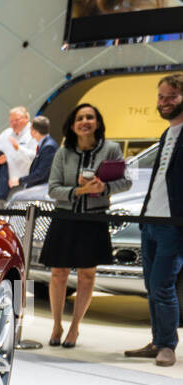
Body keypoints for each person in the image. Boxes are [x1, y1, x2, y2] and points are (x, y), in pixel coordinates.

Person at [41, 102, 130, 349]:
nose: (85, 122)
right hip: (65, 218)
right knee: (58, 274)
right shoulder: (62, 152)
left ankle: (74, 327)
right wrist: (80, 190)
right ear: (72, 125)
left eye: (90, 117)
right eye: (80, 118)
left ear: (98, 123)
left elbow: (126, 181)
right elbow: (53, 189)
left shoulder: (111, 149)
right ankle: (56, 324)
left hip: (94, 219)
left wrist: (104, 188)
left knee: (87, 275)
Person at [126, 73, 183, 367]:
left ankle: (168, 346)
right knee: (151, 284)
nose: (164, 102)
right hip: (150, 222)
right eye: (161, 97)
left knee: (162, 285)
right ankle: (157, 340)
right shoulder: (167, 134)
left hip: (174, 226)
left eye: (171, 96)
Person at [0, 106, 38, 193]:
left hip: (26, 185)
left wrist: (19, 148)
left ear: (26, 118)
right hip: (4, 186)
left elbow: (35, 158)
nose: (14, 124)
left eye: (16, 120)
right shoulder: (6, 134)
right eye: (11, 121)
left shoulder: (34, 133)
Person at [19, 115, 57, 188]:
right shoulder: (44, 144)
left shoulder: (49, 147)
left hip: (40, 189)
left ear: (35, 131)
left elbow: (40, 174)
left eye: (30, 129)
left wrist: (20, 180)